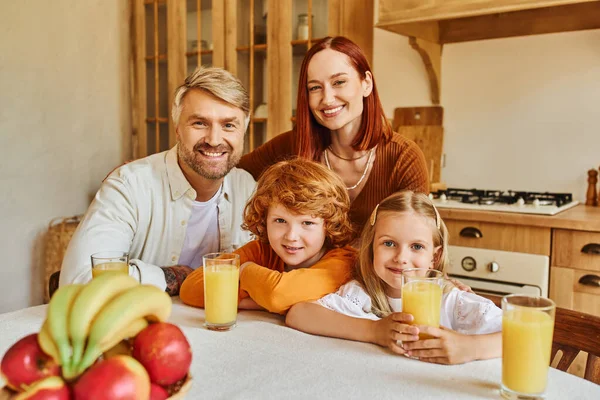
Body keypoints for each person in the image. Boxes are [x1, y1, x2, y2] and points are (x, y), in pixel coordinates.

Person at [59, 66, 257, 296]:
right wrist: (178, 276)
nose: (214, 140)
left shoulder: (247, 188)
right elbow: (80, 281)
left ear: (244, 131)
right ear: (177, 129)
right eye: (199, 123)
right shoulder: (128, 186)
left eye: (229, 125)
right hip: (145, 326)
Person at [238, 36, 429, 234]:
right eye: (315, 87)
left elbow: (415, 241)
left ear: (367, 83)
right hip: (305, 267)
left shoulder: (404, 158)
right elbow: (231, 172)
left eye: (339, 82)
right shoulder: (291, 146)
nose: (327, 99)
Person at [286, 191, 502, 365]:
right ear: (371, 249)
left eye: (417, 247)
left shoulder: (454, 302)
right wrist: (374, 331)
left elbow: (530, 336)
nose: (401, 258)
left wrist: (471, 348)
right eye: (388, 243)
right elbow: (298, 314)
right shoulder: (362, 295)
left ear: (434, 258)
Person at [180, 158, 357, 314]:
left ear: (329, 225)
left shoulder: (343, 262)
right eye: (280, 221)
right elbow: (191, 288)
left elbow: (277, 296)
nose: (291, 236)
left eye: (307, 223)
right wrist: (261, 300)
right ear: (264, 220)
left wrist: (245, 271)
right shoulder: (262, 250)